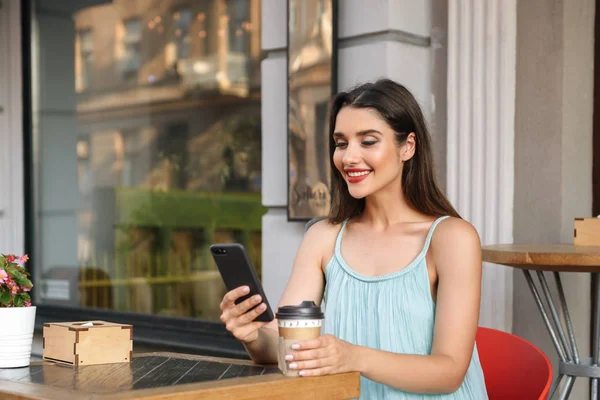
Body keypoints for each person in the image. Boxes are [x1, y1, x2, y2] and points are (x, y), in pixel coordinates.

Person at [219, 79, 488, 399]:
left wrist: (354, 358)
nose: (348, 157)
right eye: (341, 143)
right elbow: (283, 346)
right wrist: (253, 337)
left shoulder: (452, 239)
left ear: (408, 146)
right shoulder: (323, 237)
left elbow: (449, 372)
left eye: (368, 141)